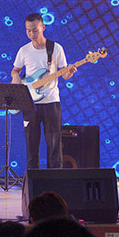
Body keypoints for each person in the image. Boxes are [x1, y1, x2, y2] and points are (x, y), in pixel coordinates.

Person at [12, 13, 76, 170]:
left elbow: (64, 74)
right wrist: (16, 78)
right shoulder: (24, 50)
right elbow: (15, 70)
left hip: (51, 101)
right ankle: (33, 179)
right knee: (31, 145)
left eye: (35, 30)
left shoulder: (56, 48)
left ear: (43, 27)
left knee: (54, 145)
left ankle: (55, 179)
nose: (32, 34)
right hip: (30, 103)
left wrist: (70, 73)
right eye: (28, 30)